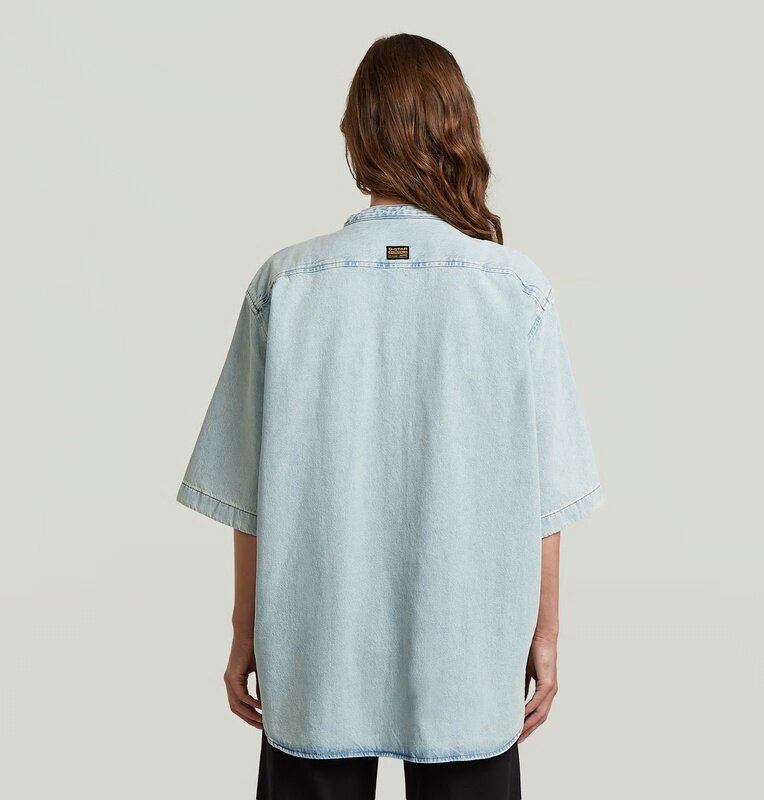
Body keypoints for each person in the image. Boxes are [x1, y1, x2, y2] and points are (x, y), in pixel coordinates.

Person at [176, 32, 604, 800]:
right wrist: (545, 635)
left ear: (356, 134)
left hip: (316, 649)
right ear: (458, 130)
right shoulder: (515, 289)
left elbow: (247, 495)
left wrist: (246, 632)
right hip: (470, 651)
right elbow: (547, 499)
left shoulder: (286, 284)